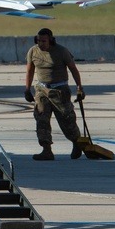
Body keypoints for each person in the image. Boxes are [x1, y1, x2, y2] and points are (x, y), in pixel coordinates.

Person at [24, 28, 87, 161]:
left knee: (67, 120)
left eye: (44, 41)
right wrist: (27, 89)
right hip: (42, 89)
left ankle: (77, 142)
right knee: (41, 119)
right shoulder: (33, 51)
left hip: (59, 91)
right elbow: (30, 71)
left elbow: (73, 69)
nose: (41, 43)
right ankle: (46, 149)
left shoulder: (61, 51)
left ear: (51, 40)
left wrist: (79, 87)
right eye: (39, 40)